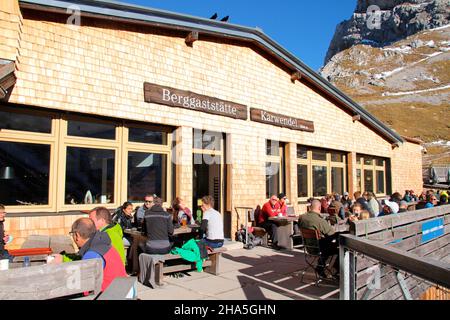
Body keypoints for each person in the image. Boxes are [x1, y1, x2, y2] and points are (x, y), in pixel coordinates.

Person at [50, 218, 127, 292]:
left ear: (77, 235)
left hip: (107, 295)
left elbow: (81, 285)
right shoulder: (103, 243)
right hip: (121, 290)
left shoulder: (92, 254)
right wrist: (63, 259)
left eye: (72, 234)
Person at [298, 199, 339, 278]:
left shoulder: (302, 217)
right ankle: (335, 269)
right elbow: (331, 234)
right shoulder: (320, 221)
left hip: (308, 247)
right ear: (319, 208)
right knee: (339, 247)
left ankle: (320, 266)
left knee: (327, 244)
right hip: (319, 248)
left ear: (310, 207)